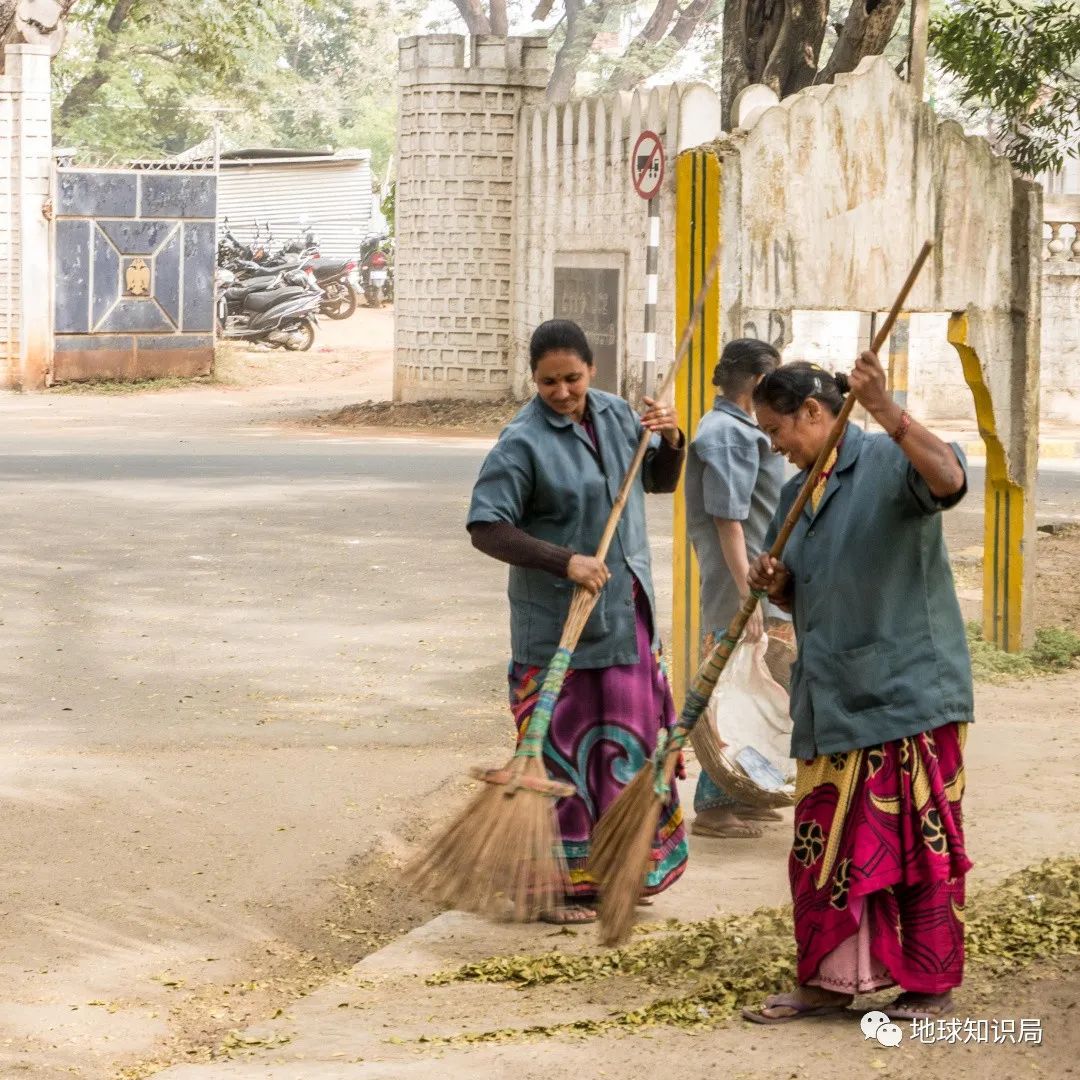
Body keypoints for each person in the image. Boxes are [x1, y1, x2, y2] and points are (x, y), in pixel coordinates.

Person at [741, 353, 972, 1023]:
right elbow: (810, 590)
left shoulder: (890, 460)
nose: (774, 446)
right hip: (832, 700)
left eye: (778, 430)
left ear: (815, 413)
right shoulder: (793, 499)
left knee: (918, 849)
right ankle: (827, 980)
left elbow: (950, 478)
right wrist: (779, 585)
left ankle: (930, 985)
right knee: (822, 847)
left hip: (908, 697)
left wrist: (888, 411)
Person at [467, 319, 690, 924]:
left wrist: (672, 440)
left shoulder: (621, 416)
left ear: (592, 370)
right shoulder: (521, 441)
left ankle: (622, 870)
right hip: (557, 631)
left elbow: (660, 483)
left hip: (625, 621)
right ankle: (554, 887)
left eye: (572, 378)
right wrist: (565, 561)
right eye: (548, 382)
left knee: (628, 752)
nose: (562, 391)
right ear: (533, 380)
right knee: (561, 761)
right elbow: (487, 527)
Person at [685, 338, 788, 839]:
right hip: (738, 581)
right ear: (758, 380)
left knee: (759, 685)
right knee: (731, 688)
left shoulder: (744, 428)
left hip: (754, 577)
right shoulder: (726, 433)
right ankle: (715, 803)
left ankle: (747, 792)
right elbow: (729, 520)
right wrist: (748, 596)